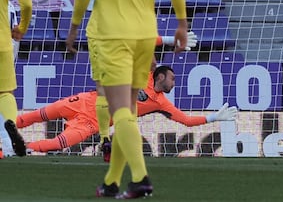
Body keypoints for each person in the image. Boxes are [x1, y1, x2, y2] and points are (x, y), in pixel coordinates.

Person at [67, 0, 188, 199]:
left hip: (114, 36)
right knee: (129, 111)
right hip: (146, 35)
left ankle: (141, 178)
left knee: (120, 111)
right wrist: (182, 24)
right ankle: (111, 182)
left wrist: (74, 27)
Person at [16, 66, 237, 153]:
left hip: (94, 123)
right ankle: (6, 134)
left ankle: (18, 149)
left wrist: (213, 117)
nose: (174, 83)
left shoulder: (161, 102)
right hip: (86, 101)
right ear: (160, 76)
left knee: (59, 143)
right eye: (172, 78)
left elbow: (186, 121)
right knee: (36, 115)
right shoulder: (141, 75)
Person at [0, 0, 32, 157]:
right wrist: (22, 28)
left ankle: (7, 142)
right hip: (4, 45)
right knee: (5, 93)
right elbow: (27, 5)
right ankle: (8, 143)